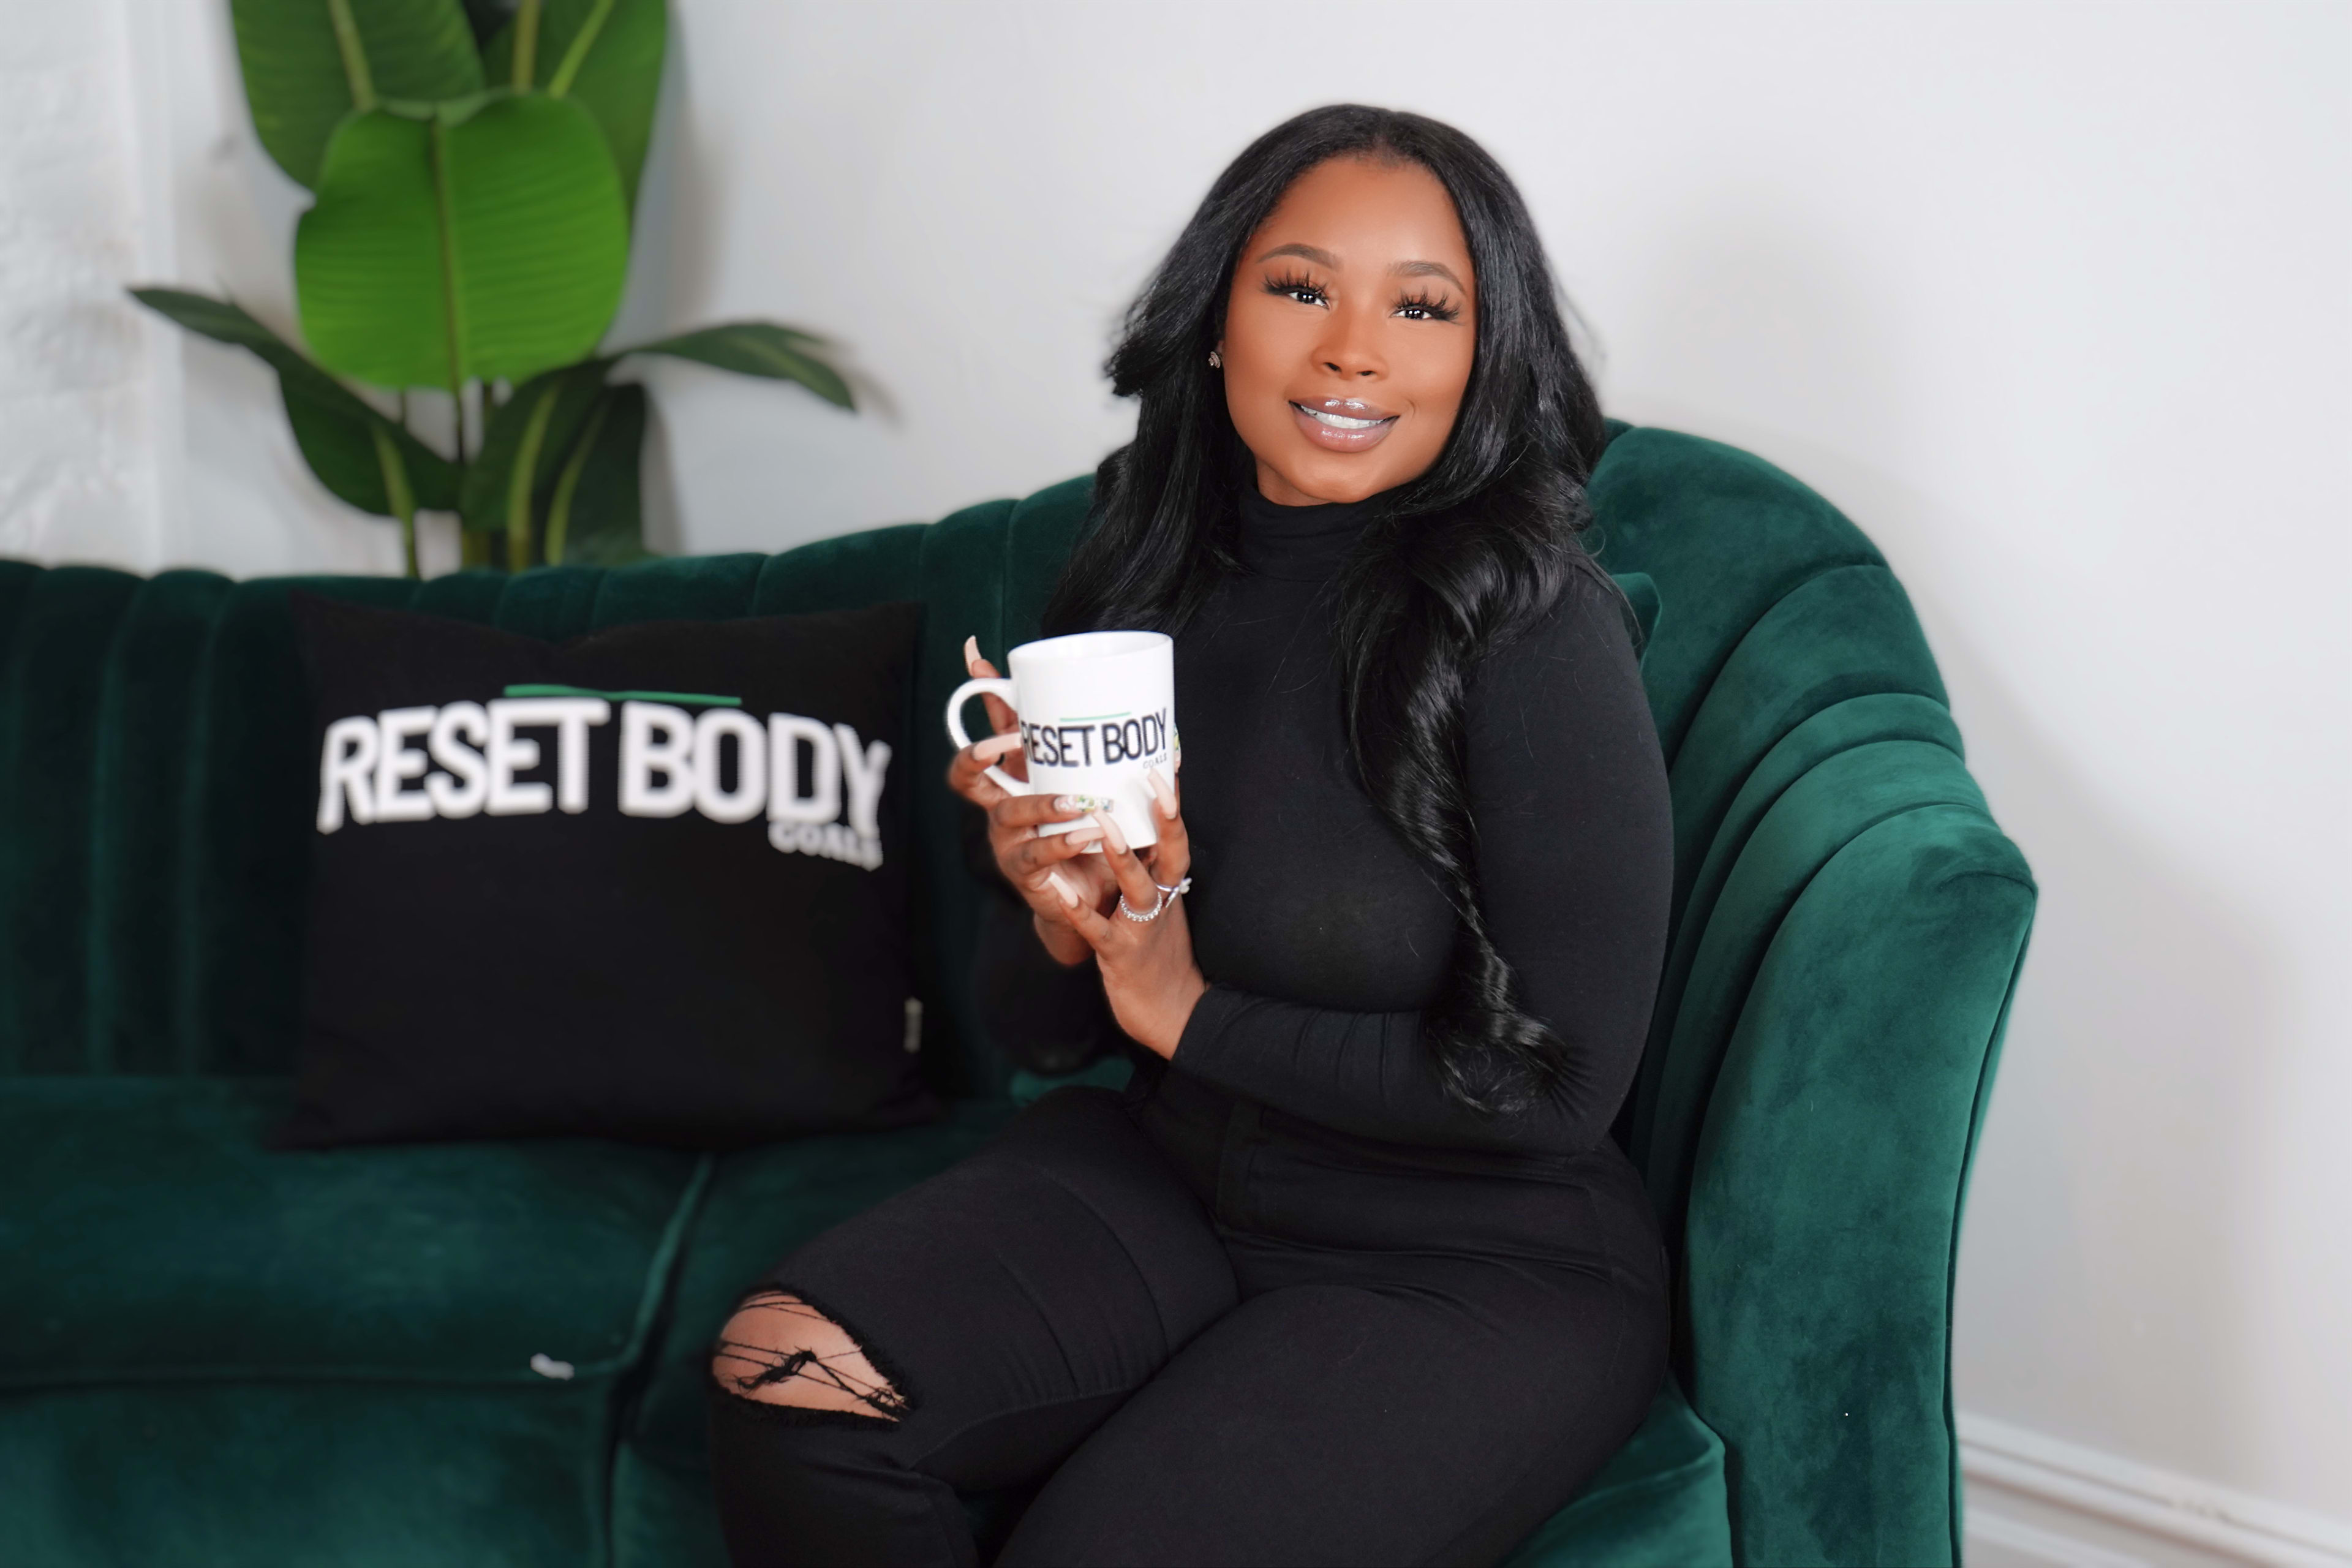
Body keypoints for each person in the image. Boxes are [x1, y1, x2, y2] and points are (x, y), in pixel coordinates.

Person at [704, 103, 1673, 1567]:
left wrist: (1186, 1005)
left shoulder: (1530, 619)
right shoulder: (1138, 576)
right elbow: (1039, 1026)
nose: (1354, 348)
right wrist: (1050, 902)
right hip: (1172, 1171)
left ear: (1484, 354)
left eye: (1424, 305)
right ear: (1218, 318)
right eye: (1301, 288)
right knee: (790, 1380)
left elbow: (1561, 1088)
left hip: (1473, 1256)